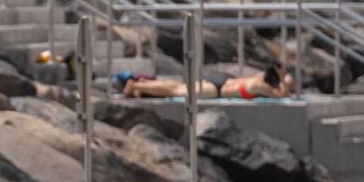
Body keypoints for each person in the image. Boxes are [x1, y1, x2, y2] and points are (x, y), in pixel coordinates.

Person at [122, 65, 294, 100]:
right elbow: (281, 95)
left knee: (179, 87)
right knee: (176, 91)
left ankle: (143, 85)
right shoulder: (262, 86)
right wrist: (285, 84)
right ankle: (137, 85)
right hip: (216, 90)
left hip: (220, 82)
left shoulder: (258, 76)